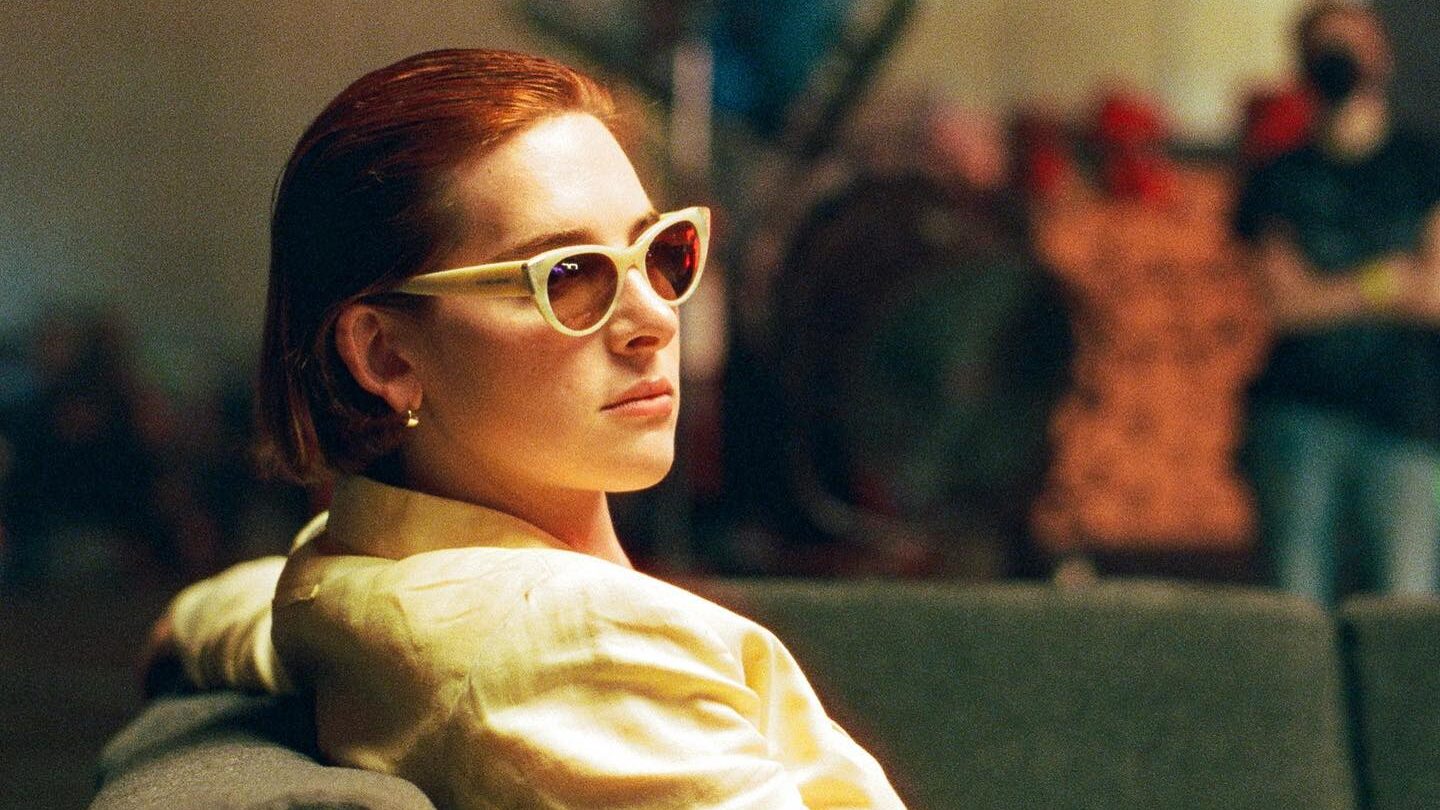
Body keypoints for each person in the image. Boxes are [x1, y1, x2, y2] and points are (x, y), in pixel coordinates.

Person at [149, 48, 905, 809]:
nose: (653, 319)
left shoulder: (344, 576)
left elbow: (241, 614)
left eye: (661, 252)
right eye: (568, 275)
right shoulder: (585, 651)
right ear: (386, 354)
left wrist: (186, 622)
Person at [1233, 1, 1440, 604]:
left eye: (1351, 48)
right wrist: (1385, 281)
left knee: (1404, 614)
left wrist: (1330, 290)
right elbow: (1283, 306)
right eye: (1327, 50)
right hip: (1299, 419)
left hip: (1406, 421)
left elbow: (1433, 294)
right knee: (1296, 615)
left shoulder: (1425, 165)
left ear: (1381, 57)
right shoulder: (1278, 178)